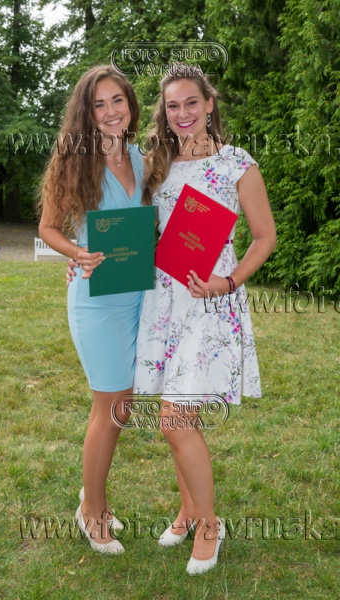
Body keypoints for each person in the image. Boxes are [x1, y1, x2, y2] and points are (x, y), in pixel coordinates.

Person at [67, 63, 276, 574]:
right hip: (162, 302)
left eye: (191, 103)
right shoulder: (157, 162)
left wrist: (229, 282)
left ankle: (209, 525)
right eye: (173, 105)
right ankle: (187, 513)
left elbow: (264, 237)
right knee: (181, 413)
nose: (182, 113)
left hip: (209, 301)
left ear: (209, 104)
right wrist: (80, 255)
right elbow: (131, 224)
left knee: (175, 418)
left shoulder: (237, 163)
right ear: (164, 111)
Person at [39, 65, 145, 555]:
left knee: (121, 405)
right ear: (87, 113)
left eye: (117, 100)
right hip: (96, 298)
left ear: (131, 104)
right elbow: (48, 227)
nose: (110, 112)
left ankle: (93, 498)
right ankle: (92, 513)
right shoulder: (75, 160)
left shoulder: (143, 157)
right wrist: (77, 253)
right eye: (99, 104)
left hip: (138, 296)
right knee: (111, 407)